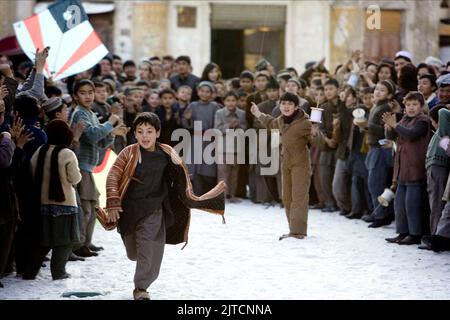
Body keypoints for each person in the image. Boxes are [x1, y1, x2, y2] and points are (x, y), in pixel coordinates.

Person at [105, 112, 225, 300]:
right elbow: (113, 176)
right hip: (129, 210)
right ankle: (140, 269)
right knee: (133, 253)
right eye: (140, 132)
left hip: (155, 208)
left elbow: (181, 175)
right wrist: (112, 202)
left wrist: (180, 169)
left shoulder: (167, 151)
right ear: (135, 134)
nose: (145, 136)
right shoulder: (128, 153)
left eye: (149, 131)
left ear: (158, 133)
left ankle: (141, 287)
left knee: (150, 248)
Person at [69, 79, 126, 258]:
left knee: (93, 206)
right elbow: (93, 135)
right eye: (83, 93)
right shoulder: (80, 114)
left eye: (90, 92)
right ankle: (78, 244)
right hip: (82, 165)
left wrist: (112, 133)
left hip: (90, 166)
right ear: (75, 96)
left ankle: (86, 242)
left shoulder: (90, 113)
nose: (88, 96)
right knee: (86, 206)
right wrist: (110, 122)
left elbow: (101, 142)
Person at [251, 92, 312, 240]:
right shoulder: (281, 120)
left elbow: (317, 141)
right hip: (286, 162)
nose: (286, 106)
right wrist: (258, 114)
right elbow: (271, 123)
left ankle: (298, 232)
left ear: (296, 106)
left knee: (298, 198)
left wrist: (316, 133)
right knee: (286, 197)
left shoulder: (305, 122)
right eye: (283, 103)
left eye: (290, 104)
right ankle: (293, 229)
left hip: (301, 164)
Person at [30, 120, 82, 279]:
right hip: (65, 203)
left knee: (45, 238)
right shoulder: (67, 153)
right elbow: (75, 178)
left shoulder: (40, 150)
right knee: (66, 240)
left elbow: (32, 170)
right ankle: (58, 271)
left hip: (43, 202)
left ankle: (31, 270)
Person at [383, 92, 431, 245]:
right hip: (402, 167)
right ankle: (402, 232)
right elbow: (392, 136)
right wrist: (389, 127)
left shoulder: (423, 121)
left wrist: (395, 125)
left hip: (415, 168)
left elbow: (411, 134)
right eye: (408, 104)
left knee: (412, 204)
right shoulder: (404, 119)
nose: (411, 108)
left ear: (421, 106)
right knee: (400, 203)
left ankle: (415, 234)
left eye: (415, 105)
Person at [181, 81, 220, 195]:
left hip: (209, 139)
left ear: (212, 94)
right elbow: (185, 123)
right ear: (198, 92)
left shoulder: (214, 106)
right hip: (196, 138)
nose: (204, 94)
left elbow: (217, 122)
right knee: (194, 166)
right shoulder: (193, 105)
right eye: (202, 91)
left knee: (208, 166)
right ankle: (194, 192)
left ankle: (207, 192)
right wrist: (188, 119)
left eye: (207, 92)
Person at [215, 91, 247, 203]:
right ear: (224, 101)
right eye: (228, 100)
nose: (231, 103)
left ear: (237, 101)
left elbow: (244, 129)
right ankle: (221, 196)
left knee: (234, 173)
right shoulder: (219, 113)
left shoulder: (242, 114)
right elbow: (217, 129)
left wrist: (239, 127)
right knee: (223, 172)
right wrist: (229, 126)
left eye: (233, 100)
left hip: (236, 147)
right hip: (223, 147)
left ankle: (231, 195)